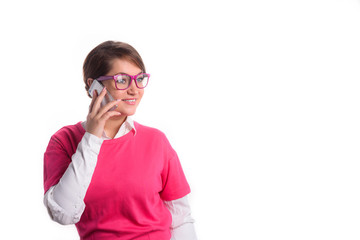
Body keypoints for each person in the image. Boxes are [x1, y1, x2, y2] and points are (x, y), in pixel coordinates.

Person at [43, 41, 197, 240]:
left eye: (139, 78)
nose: (134, 90)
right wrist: (91, 137)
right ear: (93, 85)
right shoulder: (63, 141)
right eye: (122, 80)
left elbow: (181, 218)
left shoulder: (156, 141)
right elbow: (62, 214)